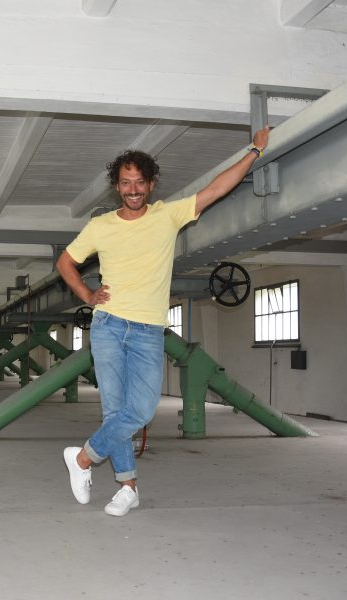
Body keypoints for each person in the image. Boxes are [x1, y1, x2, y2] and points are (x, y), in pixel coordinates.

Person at [56, 126, 271, 516]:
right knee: (114, 411)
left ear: (151, 185)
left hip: (147, 331)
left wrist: (254, 151)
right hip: (107, 325)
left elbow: (217, 188)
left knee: (139, 411)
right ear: (116, 187)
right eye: (125, 183)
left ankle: (83, 459)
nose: (133, 189)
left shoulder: (167, 216)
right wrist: (87, 295)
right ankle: (128, 487)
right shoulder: (100, 226)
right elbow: (65, 262)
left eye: (140, 182)